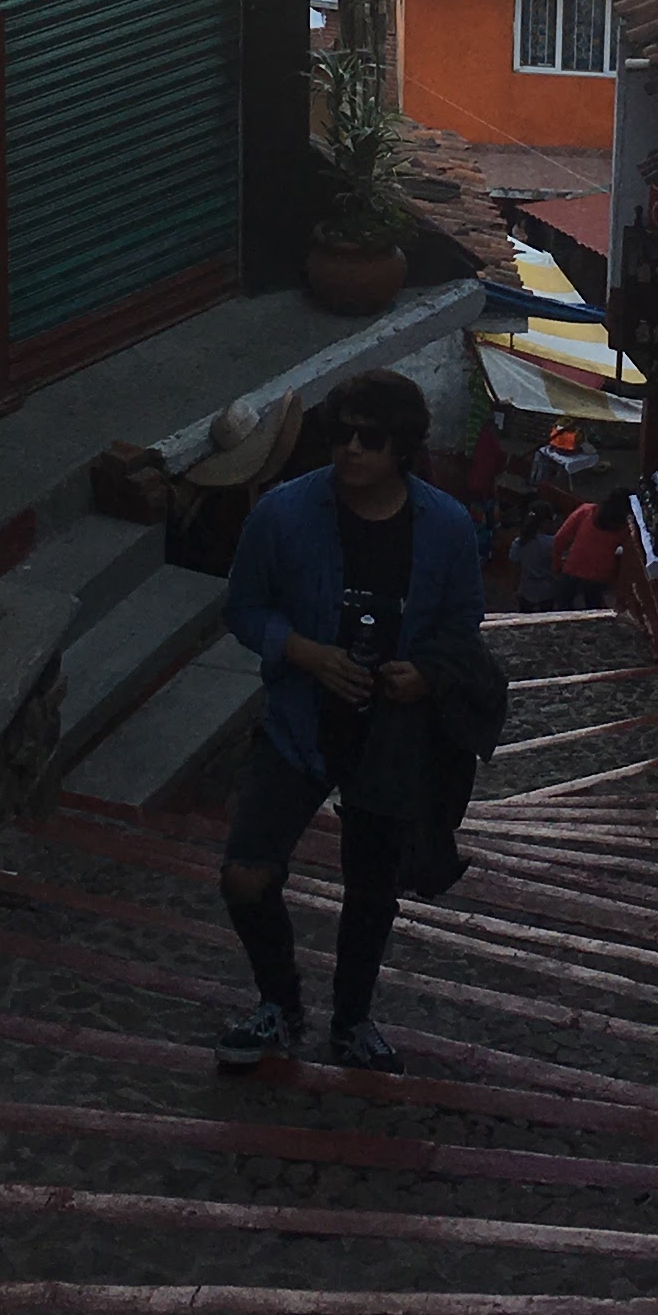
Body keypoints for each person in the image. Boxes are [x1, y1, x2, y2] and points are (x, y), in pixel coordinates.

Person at [215, 368, 490, 1073]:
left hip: (391, 736)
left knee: (370, 891)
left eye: (371, 439)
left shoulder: (448, 528)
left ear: (402, 447)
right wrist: (304, 652)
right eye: (342, 435)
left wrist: (423, 673)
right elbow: (242, 609)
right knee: (246, 874)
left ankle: (351, 1019)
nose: (352, 451)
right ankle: (280, 1003)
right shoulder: (281, 515)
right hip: (298, 723)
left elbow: (464, 628)